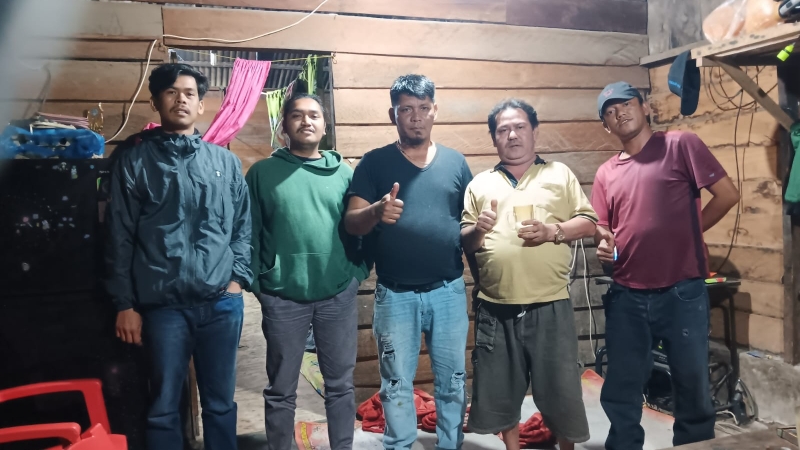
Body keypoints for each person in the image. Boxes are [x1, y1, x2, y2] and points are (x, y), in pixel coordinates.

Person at [105, 63, 252, 450]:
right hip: (163, 306)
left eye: (189, 93)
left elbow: (242, 227)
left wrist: (237, 282)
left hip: (221, 303)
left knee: (221, 404)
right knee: (163, 406)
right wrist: (125, 304)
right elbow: (119, 235)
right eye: (171, 92)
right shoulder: (135, 161)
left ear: (201, 105)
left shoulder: (224, 163)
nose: (181, 99)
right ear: (156, 102)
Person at [592, 82, 740, 449]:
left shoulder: (680, 144)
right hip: (627, 294)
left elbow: (727, 195)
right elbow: (603, 228)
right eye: (609, 111)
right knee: (621, 388)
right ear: (606, 126)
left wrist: (688, 232)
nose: (619, 113)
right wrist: (604, 245)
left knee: (692, 386)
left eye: (626, 104)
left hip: (682, 290)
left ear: (644, 107)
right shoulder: (606, 173)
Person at [344, 74, 473, 450]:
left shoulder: (456, 163)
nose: (416, 117)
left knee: (453, 380)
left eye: (423, 108)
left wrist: (481, 281)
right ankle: (399, 445)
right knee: (396, 382)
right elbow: (351, 222)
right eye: (406, 109)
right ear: (393, 115)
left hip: (448, 291)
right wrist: (376, 211)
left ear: (435, 111)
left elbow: (469, 229)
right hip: (395, 294)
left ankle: (450, 445)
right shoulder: (374, 163)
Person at [461, 99, 596, 450]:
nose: (512, 135)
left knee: (561, 390)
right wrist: (478, 229)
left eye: (520, 127)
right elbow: (467, 242)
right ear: (494, 138)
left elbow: (588, 222)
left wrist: (552, 231)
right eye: (503, 130)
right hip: (496, 305)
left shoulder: (559, 174)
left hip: (549, 302)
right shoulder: (480, 184)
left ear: (534, 131)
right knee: (501, 390)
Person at [246, 93, 368, 450]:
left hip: (337, 296)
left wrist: (355, 276)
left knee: (340, 386)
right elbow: (248, 232)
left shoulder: (344, 173)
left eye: (314, 115)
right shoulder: (262, 173)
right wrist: (260, 285)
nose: (306, 121)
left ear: (324, 125)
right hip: (282, 296)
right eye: (297, 115)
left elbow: (361, 231)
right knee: (281, 389)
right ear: (284, 125)